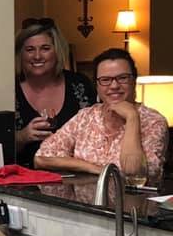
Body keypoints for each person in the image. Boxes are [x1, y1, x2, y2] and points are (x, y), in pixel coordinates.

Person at [35, 47, 168, 180]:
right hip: (86, 199)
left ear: (134, 81)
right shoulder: (85, 117)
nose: (114, 86)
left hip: (134, 200)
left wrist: (132, 117)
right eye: (105, 80)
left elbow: (132, 173)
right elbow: (41, 158)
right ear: (97, 86)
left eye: (122, 78)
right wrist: (95, 169)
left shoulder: (154, 122)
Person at [14, 17, 94, 168]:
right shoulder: (10, 89)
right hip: (24, 180)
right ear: (20, 54)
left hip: (77, 175)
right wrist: (22, 137)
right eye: (30, 50)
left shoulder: (79, 84)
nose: (37, 56)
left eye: (45, 48)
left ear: (57, 51)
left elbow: (99, 132)